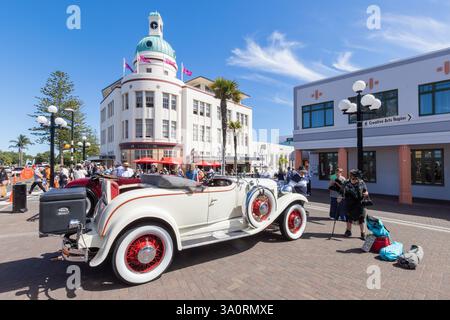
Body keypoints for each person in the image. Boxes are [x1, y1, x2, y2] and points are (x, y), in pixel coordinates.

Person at [343, 169, 369, 240]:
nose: (353, 178)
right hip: (349, 203)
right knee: (349, 217)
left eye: (354, 176)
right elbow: (341, 191)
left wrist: (366, 193)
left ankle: (362, 233)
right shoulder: (346, 182)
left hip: (359, 203)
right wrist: (339, 197)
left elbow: (366, 191)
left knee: (361, 218)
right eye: (351, 175)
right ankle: (348, 231)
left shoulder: (361, 182)